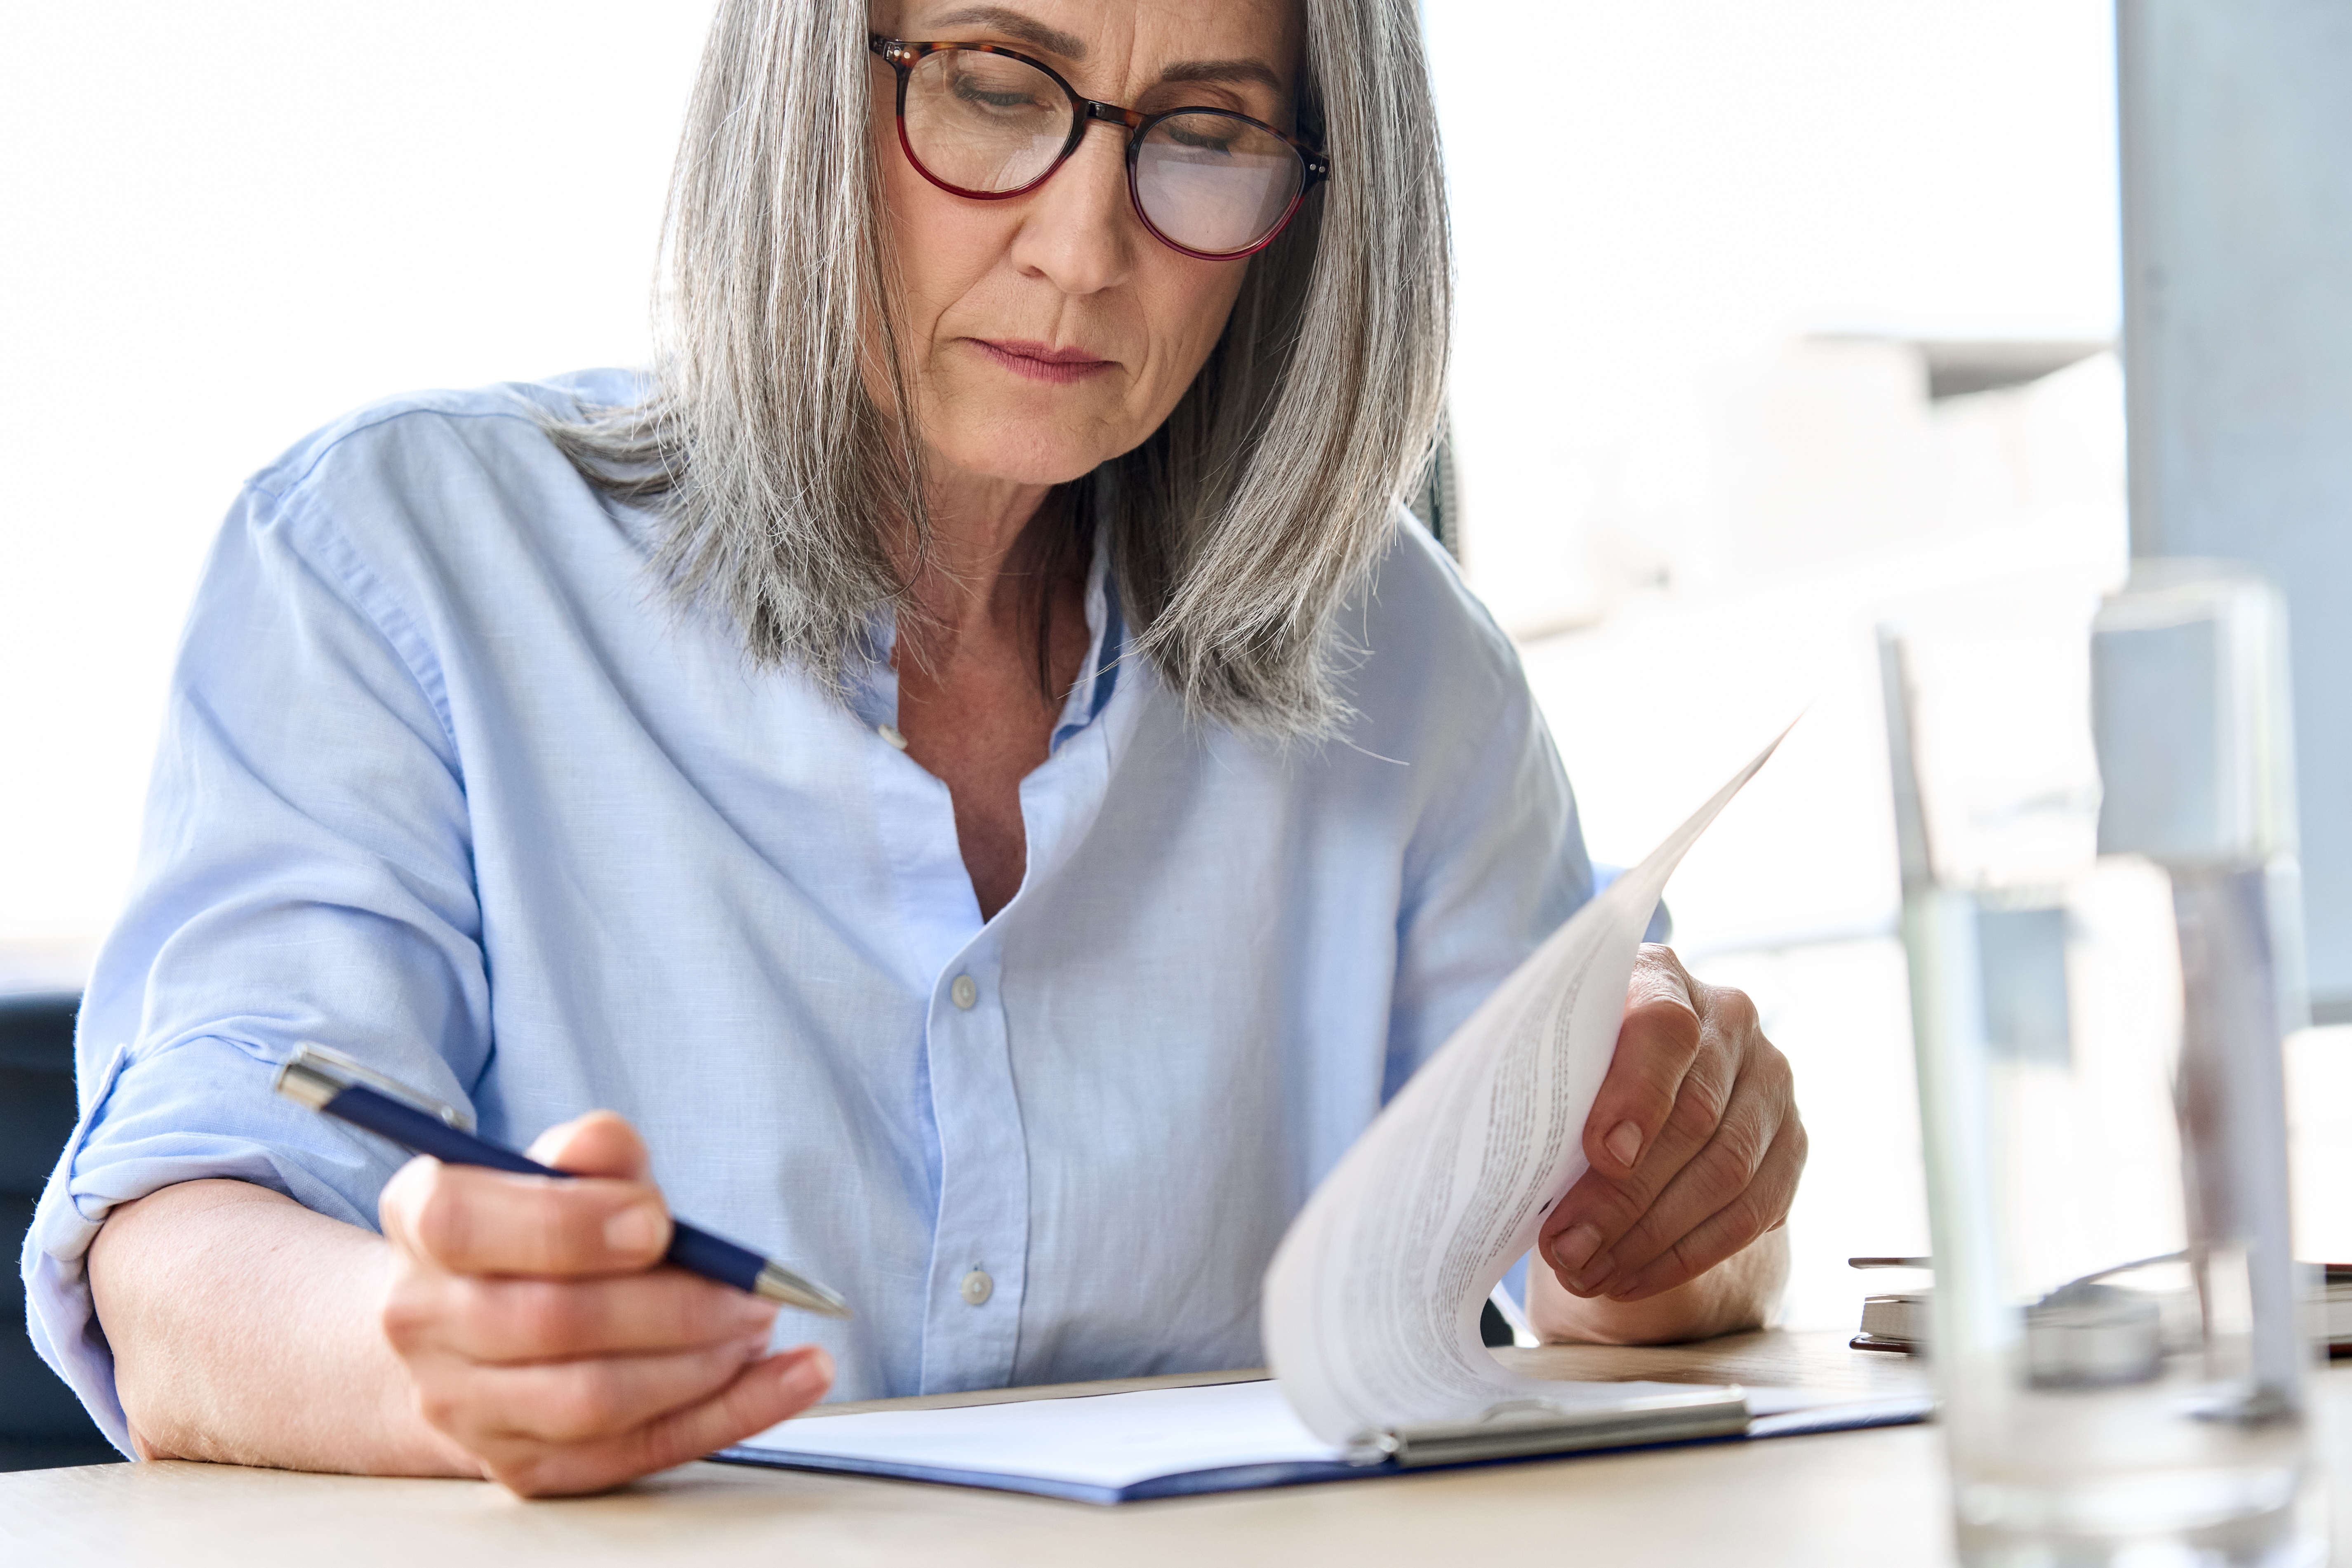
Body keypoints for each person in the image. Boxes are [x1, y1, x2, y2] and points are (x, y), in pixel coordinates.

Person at [26, 0, 1804, 1498]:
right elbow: (179, 1264)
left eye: (1205, 132)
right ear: (809, 81)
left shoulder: (1396, 653)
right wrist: (441, 1363)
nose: (1084, 248)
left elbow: (1608, 1258)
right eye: (992, 86)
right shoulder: (396, 556)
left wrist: (1676, 1223)